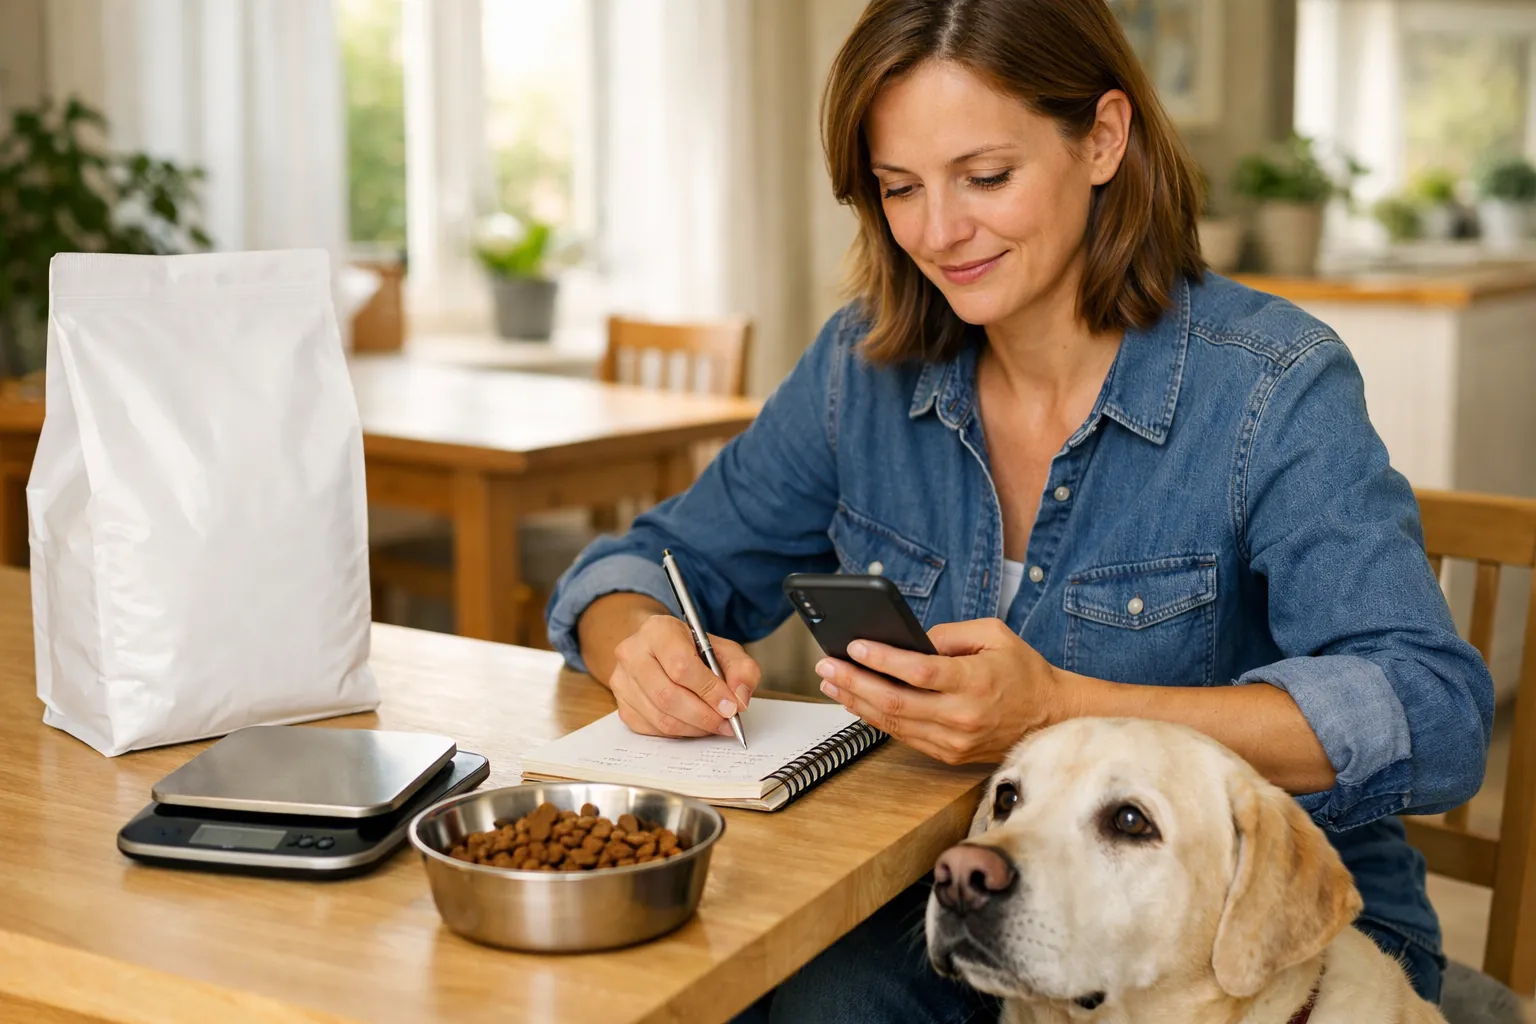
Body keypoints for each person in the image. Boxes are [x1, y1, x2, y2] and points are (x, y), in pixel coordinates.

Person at [546, 0, 1494, 1020]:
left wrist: (1056, 706)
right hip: (963, 890)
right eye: (898, 188)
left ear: (1102, 137)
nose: (939, 232)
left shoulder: (1270, 386)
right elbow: (647, 565)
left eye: (985, 177)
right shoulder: (860, 370)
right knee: (762, 987)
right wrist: (636, 642)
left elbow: (1431, 710)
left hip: (1253, 939)